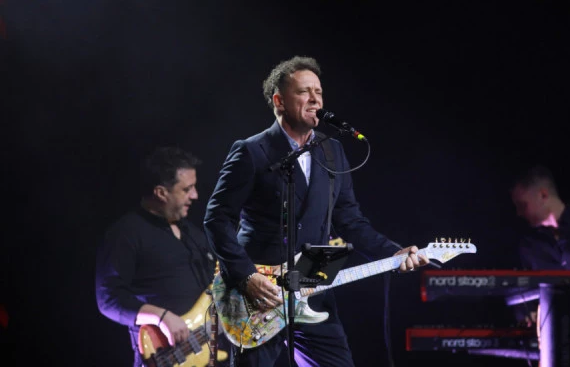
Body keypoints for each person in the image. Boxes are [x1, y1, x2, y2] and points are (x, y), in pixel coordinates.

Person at [203, 55, 429, 367]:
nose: (315, 99)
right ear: (279, 101)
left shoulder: (332, 150)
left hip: (314, 282)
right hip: (259, 295)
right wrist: (246, 276)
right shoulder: (251, 151)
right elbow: (217, 219)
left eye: (318, 92)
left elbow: (350, 220)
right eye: (303, 92)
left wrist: (392, 252)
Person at [96, 146, 227, 367]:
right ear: (161, 193)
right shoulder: (126, 233)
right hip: (165, 355)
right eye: (187, 189)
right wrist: (161, 316)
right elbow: (108, 299)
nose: (195, 195)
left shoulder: (193, 234)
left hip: (206, 353)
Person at [510, 164, 570, 366]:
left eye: (523, 205)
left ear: (543, 195)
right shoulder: (528, 245)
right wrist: (529, 314)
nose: (519, 213)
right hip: (551, 346)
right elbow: (520, 295)